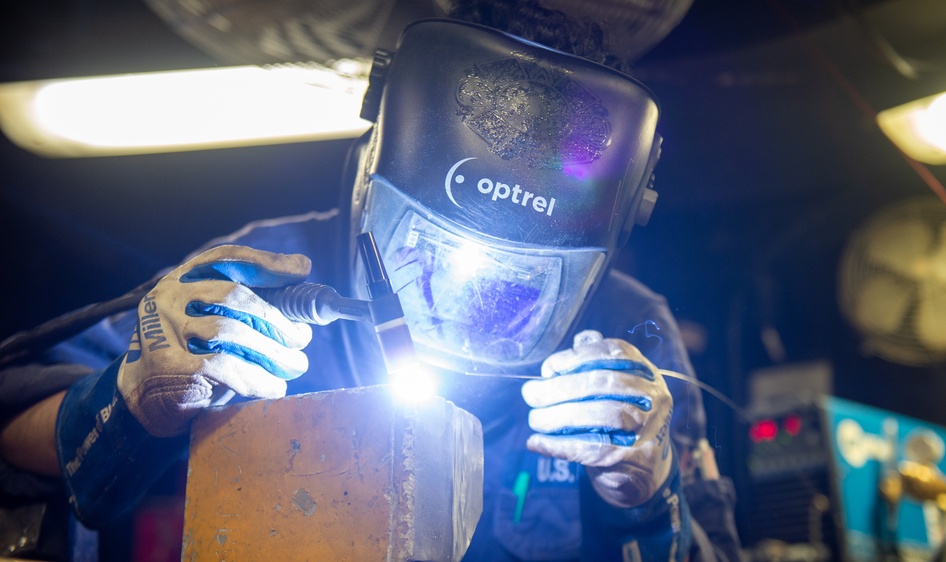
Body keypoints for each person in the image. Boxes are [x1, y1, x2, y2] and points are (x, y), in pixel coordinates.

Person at [0, 1, 741, 560]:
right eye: (429, 251)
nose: (455, 304)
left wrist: (646, 493)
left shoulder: (627, 345)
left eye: (515, 284)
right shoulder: (264, 274)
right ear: (372, 168)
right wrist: (130, 403)